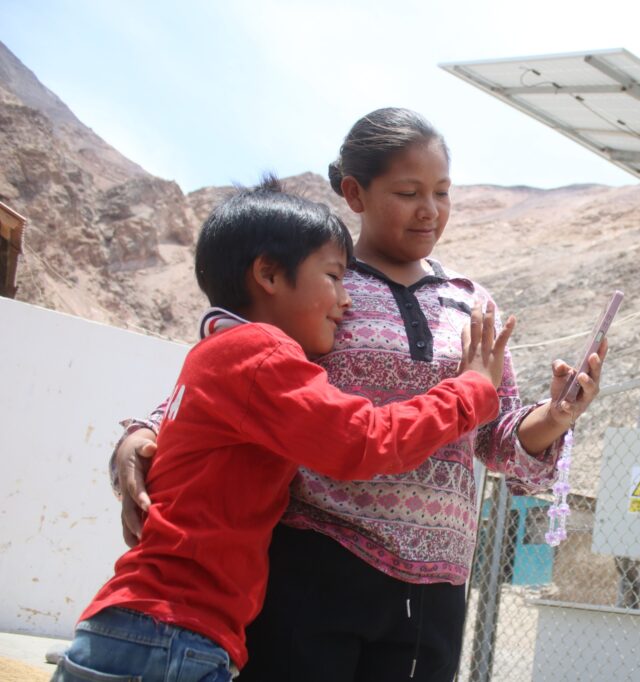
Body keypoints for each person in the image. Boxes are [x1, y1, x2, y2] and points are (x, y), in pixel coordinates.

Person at [112, 108, 607, 681]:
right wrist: (142, 433)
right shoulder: (321, 286)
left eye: (442, 192)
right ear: (355, 193)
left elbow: (492, 436)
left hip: (436, 584)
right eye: (408, 192)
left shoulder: (472, 303)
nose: (430, 210)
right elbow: (244, 376)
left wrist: (554, 416)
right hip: (315, 559)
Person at [56, 179, 512, 681]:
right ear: (269, 274)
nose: (346, 300)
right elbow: (364, 440)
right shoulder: (260, 356)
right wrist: (470, 390)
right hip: (171, 637)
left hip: (148, 628)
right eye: (334, 277)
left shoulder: (215, 353)